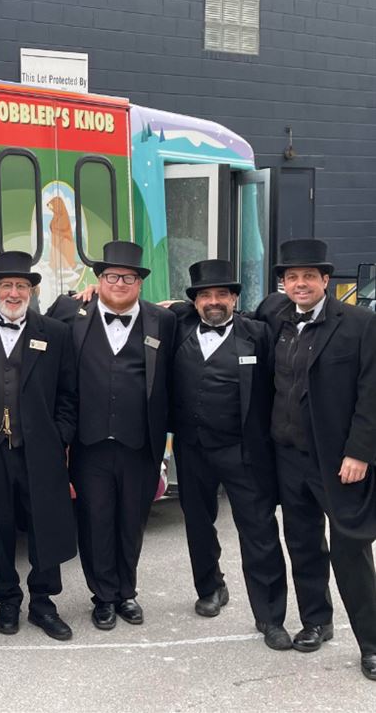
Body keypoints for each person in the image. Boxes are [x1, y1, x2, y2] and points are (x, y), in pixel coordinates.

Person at [254, 239, 376, 680]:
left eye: (309, 276)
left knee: (350, 550)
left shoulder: (360, 324)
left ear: (326, 280)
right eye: (291, 277)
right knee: (303, 543)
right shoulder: (274, 315)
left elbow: (371, 392)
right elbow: (222, 317)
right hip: (287, 454)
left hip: (339, 461)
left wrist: (360, 451)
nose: (300, 283)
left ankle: (372, 643)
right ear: (283, 283)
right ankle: (316, 621)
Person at [47, 240, 175, 630]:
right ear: (98, 280)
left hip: (141, 444)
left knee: (131, 521)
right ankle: (103, 596)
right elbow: (33, 324)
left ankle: (127, 593)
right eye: (111, 276)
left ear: (140, 283)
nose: (120, 283)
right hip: (89, 444)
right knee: (95, 521)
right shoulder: (71, 313)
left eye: (129, 277)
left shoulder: (162, 321)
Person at [167, 259, 290, 650]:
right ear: (195, 302)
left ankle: (270, 617)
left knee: (259, 532)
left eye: (222, 294)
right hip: (192, 448)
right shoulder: (180, 328)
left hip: (243, 451)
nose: (214, 301)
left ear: (235, 298)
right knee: (198, 524)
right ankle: (211, 587)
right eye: (206, 295)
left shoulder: (257, 334)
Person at [0, 251, 79, 640]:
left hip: (40, 450)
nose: (14, 292)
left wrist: (60, 437)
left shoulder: (55, 332)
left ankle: (43, 602)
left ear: (32, 291)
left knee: (44, 525)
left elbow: (69, 393)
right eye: (6, 286)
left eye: (21, 286)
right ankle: (7, 599)